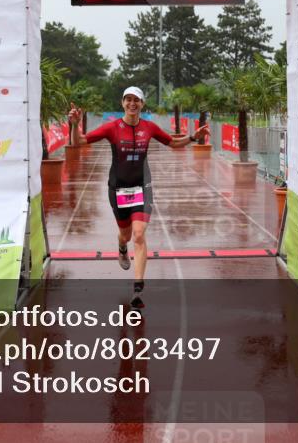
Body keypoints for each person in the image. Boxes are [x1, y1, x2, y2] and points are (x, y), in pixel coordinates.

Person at [68, 86, 209, 308]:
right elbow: (78, 142)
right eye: (128, 100)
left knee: (139, 234)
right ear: (122, 103)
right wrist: (74, 125)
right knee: (125, 235)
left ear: (142, 104)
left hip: (143, 187)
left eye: (137, 100)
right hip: (119, 189)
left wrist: (193, 137)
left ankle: (137, 287)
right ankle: (121, 246)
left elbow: (173, 143)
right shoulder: (112, 127)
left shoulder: (149, 128)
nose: (132, 104)